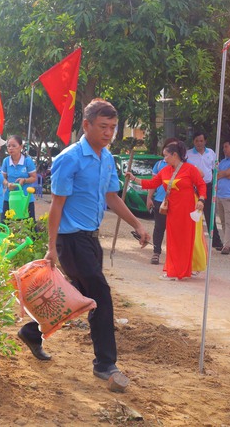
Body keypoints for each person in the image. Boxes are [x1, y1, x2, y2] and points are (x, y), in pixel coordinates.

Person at [19, 99, 149, 386]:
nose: (109, 133)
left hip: (91, 240)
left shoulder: (106, 158)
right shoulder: (70, 158)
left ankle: (32, 331)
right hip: (71, 240)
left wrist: (138, 224)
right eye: (103, 127)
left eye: (113, 127)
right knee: (100, 296)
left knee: (73, 299)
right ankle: (105, 364)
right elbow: (56, 205)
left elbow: (112, 197)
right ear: (87, 125)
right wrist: (52, 246)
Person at [128, 140, 206, 280]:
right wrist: (134, 178)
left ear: (174, 155)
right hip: (172, 210)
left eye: (166, 156)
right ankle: (173, 271)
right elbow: (152, 183)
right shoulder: (165, 170)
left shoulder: (189, 169)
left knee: (185, 240)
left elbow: (201, 185)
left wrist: (201, 199)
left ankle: (181, 271)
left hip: (187, 210)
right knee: (173, 240)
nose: (164, 159)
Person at [187, 131, 223, 249]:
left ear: (205, 141)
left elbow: (215, 169)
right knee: (192, 213)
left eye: (201, 141)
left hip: (207, 186)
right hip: (193, 187)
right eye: (196, 141)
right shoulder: (188, 154)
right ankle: (191, 240)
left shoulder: (211, 153)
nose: (199, 143)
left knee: (209, 214)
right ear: (193, 141)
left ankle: (216, 241)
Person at [145, 137, 178, 265]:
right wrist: (149, 197)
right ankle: (156, 252)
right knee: (159, 228)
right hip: (160, 200)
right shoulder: (159, 165)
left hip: (176, 203)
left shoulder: (183, 166)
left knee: (175, 230)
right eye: (169, 147)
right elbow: (153, 183)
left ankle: (174, 256)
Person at [1, 135, 37, 222]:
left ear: (21, 147)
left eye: (14, 146)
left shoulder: (27, 161)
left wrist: (24, 180)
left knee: (29, 225)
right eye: (9, 146)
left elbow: (34, 178)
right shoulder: (6, 161)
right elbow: (2, 178)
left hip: (25, 199)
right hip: (9, 198)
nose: (11, 148)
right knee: (5, 224)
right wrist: (7, 184)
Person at [217, 138, 230, 255]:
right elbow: (218, 175)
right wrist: (226, 173)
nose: (224, 149)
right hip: (220, 195)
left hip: (229, 196)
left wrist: (225, 173)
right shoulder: (222, 162)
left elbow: (228, 174)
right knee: (222, 221)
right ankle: (228, 243)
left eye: (226, 147)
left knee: (229, 222)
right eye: (223, 147)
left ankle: (226, 246)